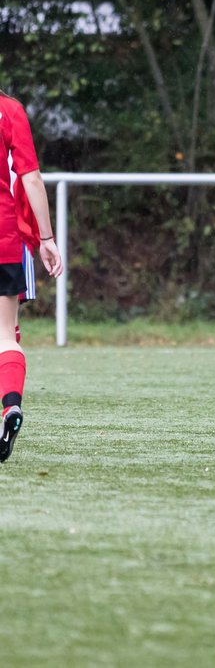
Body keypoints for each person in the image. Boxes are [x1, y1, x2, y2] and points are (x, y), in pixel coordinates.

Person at [0, 90, 64, 463]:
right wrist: (46, 238)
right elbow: (32, 177)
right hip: (4, 236)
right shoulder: (10, 110)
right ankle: (10, 407)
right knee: (6, 334)